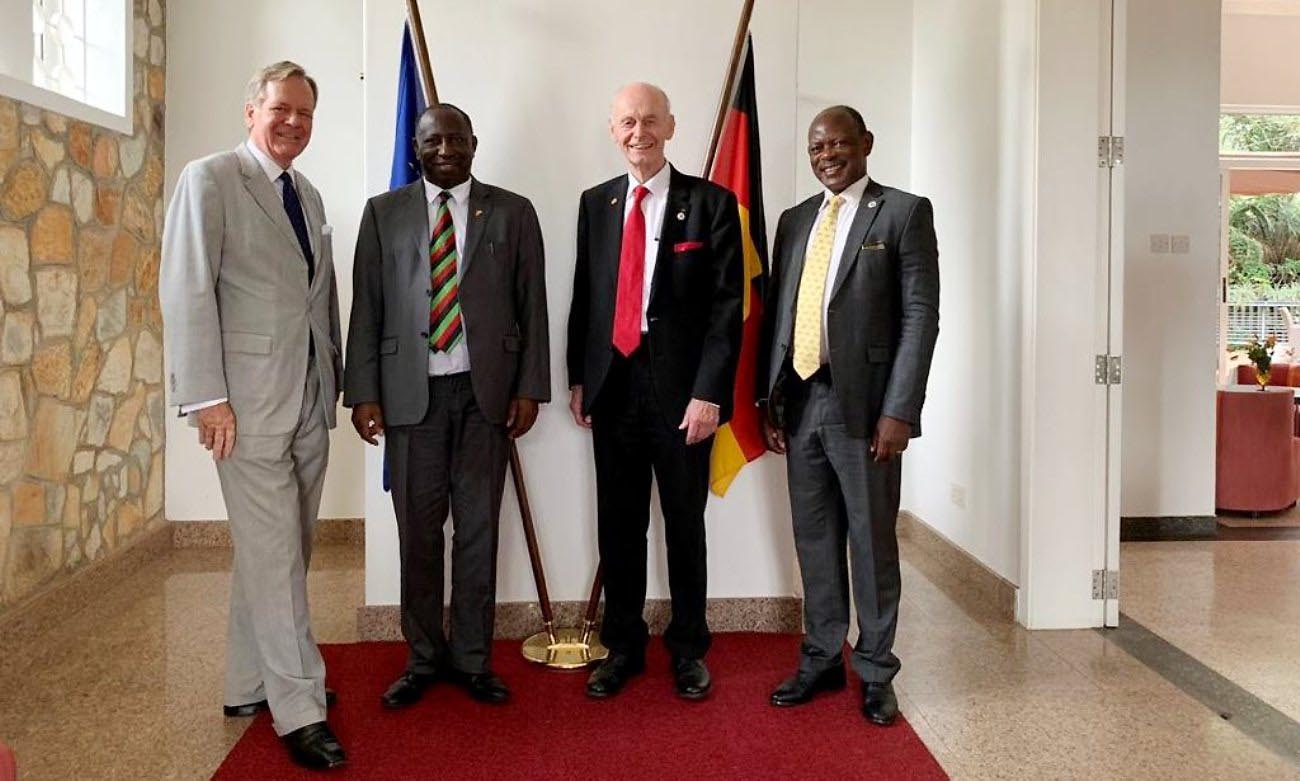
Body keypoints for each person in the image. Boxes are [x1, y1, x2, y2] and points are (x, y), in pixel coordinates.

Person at [160, 61, 346, 769]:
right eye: (281, 109)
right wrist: (205, 395)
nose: (293, 121)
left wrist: (335, 381)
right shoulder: (209, 180)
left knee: (283, 551)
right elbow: (185, 290)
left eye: (304, 111)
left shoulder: (310, 193)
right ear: (251, 111)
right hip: (242, 404)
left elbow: (318, 297)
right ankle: (300, 707)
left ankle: (246, 682)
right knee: (275, 557)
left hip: (306, 397)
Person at [345, 104, 550, 710]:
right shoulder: (384, 214)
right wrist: (363, 393)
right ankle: (423, 656)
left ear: (473, 144)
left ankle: (473, 659)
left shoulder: (512, 211)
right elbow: (367, 307)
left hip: (484, 396)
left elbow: (530, 304)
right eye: (433, 140)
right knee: (419, 533)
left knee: (479, 532)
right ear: (416, 146)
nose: (445, 149)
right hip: (412, 400)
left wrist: (528, 388)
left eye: (456, 139)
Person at [757, 105, 939, 726]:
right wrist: (770, 398)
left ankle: (875, 669)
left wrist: (900, 410)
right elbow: (782, 312)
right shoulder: (794, 220)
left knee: (870, 540)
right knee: (813, 538)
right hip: (802, 400)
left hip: (865, 408)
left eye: (838, 143)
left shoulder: (903, 212)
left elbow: (920, 316)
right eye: (817, 147)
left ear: (865, 143)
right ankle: (820, 656)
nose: (827, 155)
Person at [566, 82, 743, 700]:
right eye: (626, 123)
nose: (637, 132)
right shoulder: (596, 203)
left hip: (683, 396)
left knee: (683, 524)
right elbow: (586, 296)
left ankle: (690, 648)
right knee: (618, 526)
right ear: (612, 131)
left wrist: (710, 393)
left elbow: (728, 307)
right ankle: (623, 646)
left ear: (671, 127)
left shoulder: (712, 204)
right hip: (613, 387)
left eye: (649, 121)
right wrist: (579, 378)